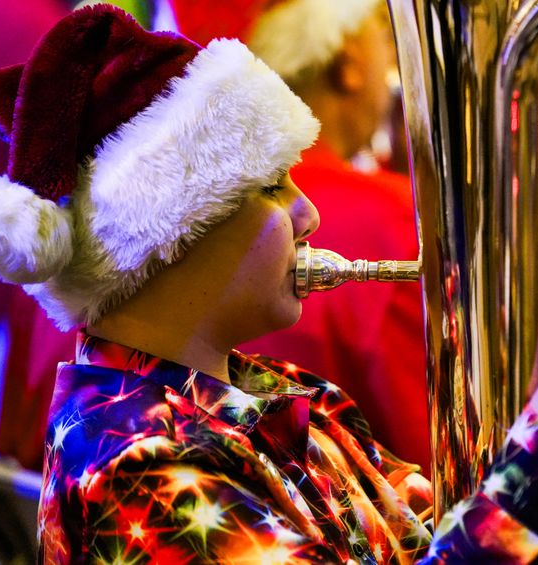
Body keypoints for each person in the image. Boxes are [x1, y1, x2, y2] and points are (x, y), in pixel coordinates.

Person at [0, 6, 538, 563]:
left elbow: (438, 536)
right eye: (271, 187)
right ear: (168, 235)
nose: (309, 210)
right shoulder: (132, 466)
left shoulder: (287, 398)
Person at [167, 0, 431, 471]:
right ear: (347, 59)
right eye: (386, 39)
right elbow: (446, 477)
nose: (306, 217)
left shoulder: (88, 242)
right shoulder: (395, 221)